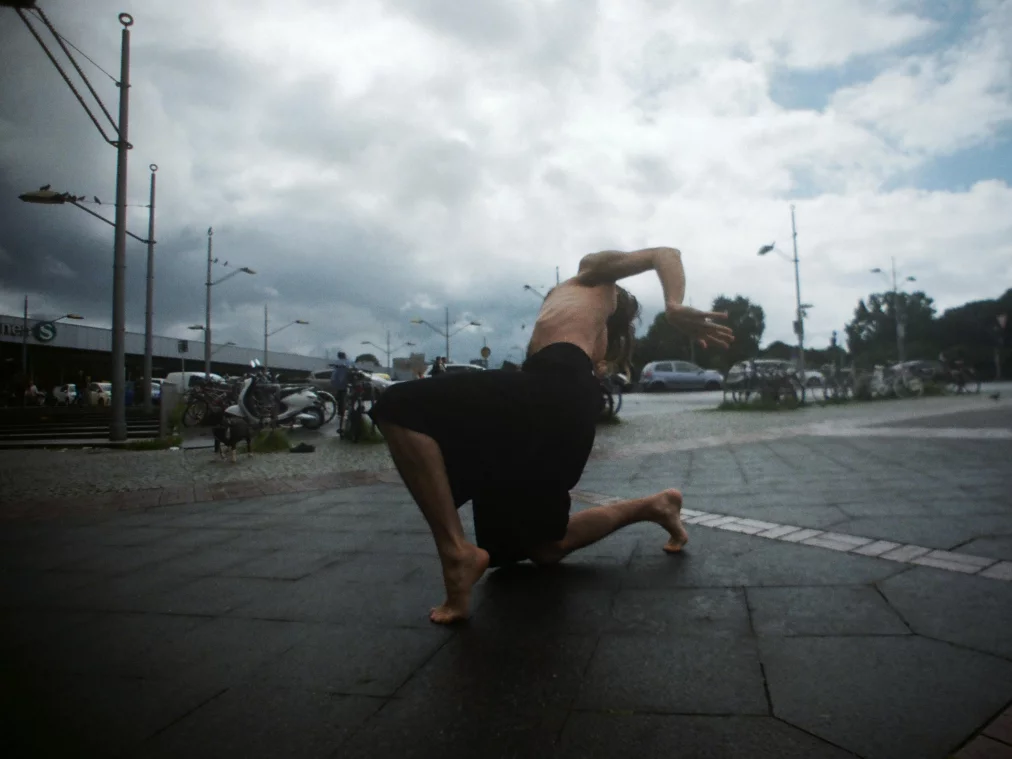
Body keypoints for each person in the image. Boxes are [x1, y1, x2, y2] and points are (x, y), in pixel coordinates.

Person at [368, 247, 734, 624]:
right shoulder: (590, 321)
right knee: (542, 547)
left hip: (553, 388)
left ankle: (455, 552)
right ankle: (655, 505)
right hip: (563, 409)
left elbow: (665, 253)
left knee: (399, 405)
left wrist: (673, 306)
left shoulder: (589, 273)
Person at [329, 351, 355, 435]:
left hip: (340, 384)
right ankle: (345, 409)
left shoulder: (339, 363)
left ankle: (341, 411)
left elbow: (334, 374)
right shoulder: (348, 362)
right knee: (345, 397)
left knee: (340, 398)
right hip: (347, 383)